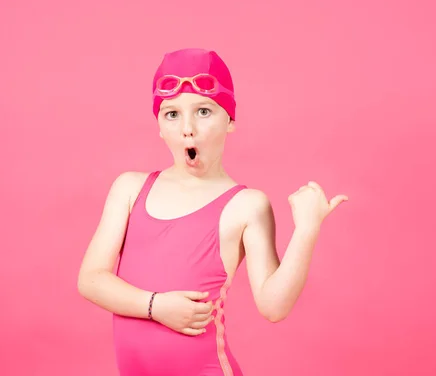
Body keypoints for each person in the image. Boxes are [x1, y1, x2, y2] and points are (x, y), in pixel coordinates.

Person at [77, 48, 348, 376]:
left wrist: (307, 229)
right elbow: (91, 279)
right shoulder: (130, 189)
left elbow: (274, 306)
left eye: (203, 111)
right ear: (160, 126)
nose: (187, 128)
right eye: (172, 114)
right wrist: (156, 306)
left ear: (230, 120)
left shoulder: (247, 205)